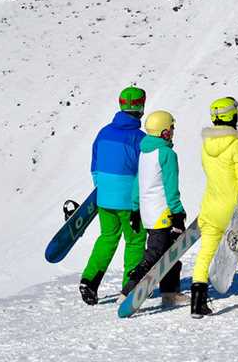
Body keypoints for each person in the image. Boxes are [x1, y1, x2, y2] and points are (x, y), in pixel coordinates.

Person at [189, 96, 238, 318]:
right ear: (231, 116)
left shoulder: (206, 144)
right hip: (234, 209)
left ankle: (197, 304)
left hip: (211, 207)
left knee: (205, 253)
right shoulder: (235, 143)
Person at [79, 86, 148, 305]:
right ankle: (131, 287)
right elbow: (143, 174)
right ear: (141, 107)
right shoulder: (140, 139)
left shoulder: (104, 132)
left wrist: (103, 189)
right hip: (130, 201)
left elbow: (94, 165)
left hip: (104, 197)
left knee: (107, 237)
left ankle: (89, 280)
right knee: (135, 241)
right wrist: (137, 204)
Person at [120, 110, 188, 306]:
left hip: (148, 213)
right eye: (171, 128)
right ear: (164, 132)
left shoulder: (145, 152)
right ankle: (131, 287)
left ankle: (170, 293)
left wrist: (135, 208)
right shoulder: (167, 154)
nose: (173, 131)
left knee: (171, 252)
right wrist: (177, 212)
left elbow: (137, 183)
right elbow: (171, 186)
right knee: (157, 253)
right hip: (163, 213)